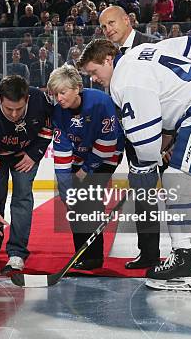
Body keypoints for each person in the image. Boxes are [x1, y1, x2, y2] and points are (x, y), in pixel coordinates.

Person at [79, 36, 191, 292]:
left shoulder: (125, 80)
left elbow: (146, 141)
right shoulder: (142, 51)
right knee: (178, 179)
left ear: (108, 59)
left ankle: (185, 263)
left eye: (93, 71)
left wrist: (142, 169)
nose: (93, 78)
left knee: (176, 180)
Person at [99, 5, 161, 270]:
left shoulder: (153, 46)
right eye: (103, 26)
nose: (108, 29)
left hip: (163, 135)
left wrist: (171, 136)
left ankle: (190, 255)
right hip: (132, 138)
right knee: (143, 197)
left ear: (127, 20)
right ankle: (148, 254)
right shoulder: (108, 55)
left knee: (180, 197)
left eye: (112, 23)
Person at [47, 66, 124, 270]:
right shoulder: (58, 113)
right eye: (55, 94)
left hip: (107, 155)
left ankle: (94, 257)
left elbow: (108, 145)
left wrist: (85, 170)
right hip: (79, 158)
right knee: (75, 204)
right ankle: (81, 253)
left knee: (90, 199)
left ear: (77, 88)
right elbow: (62, 153)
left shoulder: (101, 102)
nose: (59, 98)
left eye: (62, 92)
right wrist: (65, 190)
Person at [0, 75, 53, 273]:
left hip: (26, 154)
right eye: (8, 109)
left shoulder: (39, 99)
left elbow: (48, 126)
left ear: (27, 99)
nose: (14, 114)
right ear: (0, 99)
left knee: (22, 196)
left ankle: (17, 251)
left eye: (19, 109)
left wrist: (34, 153)